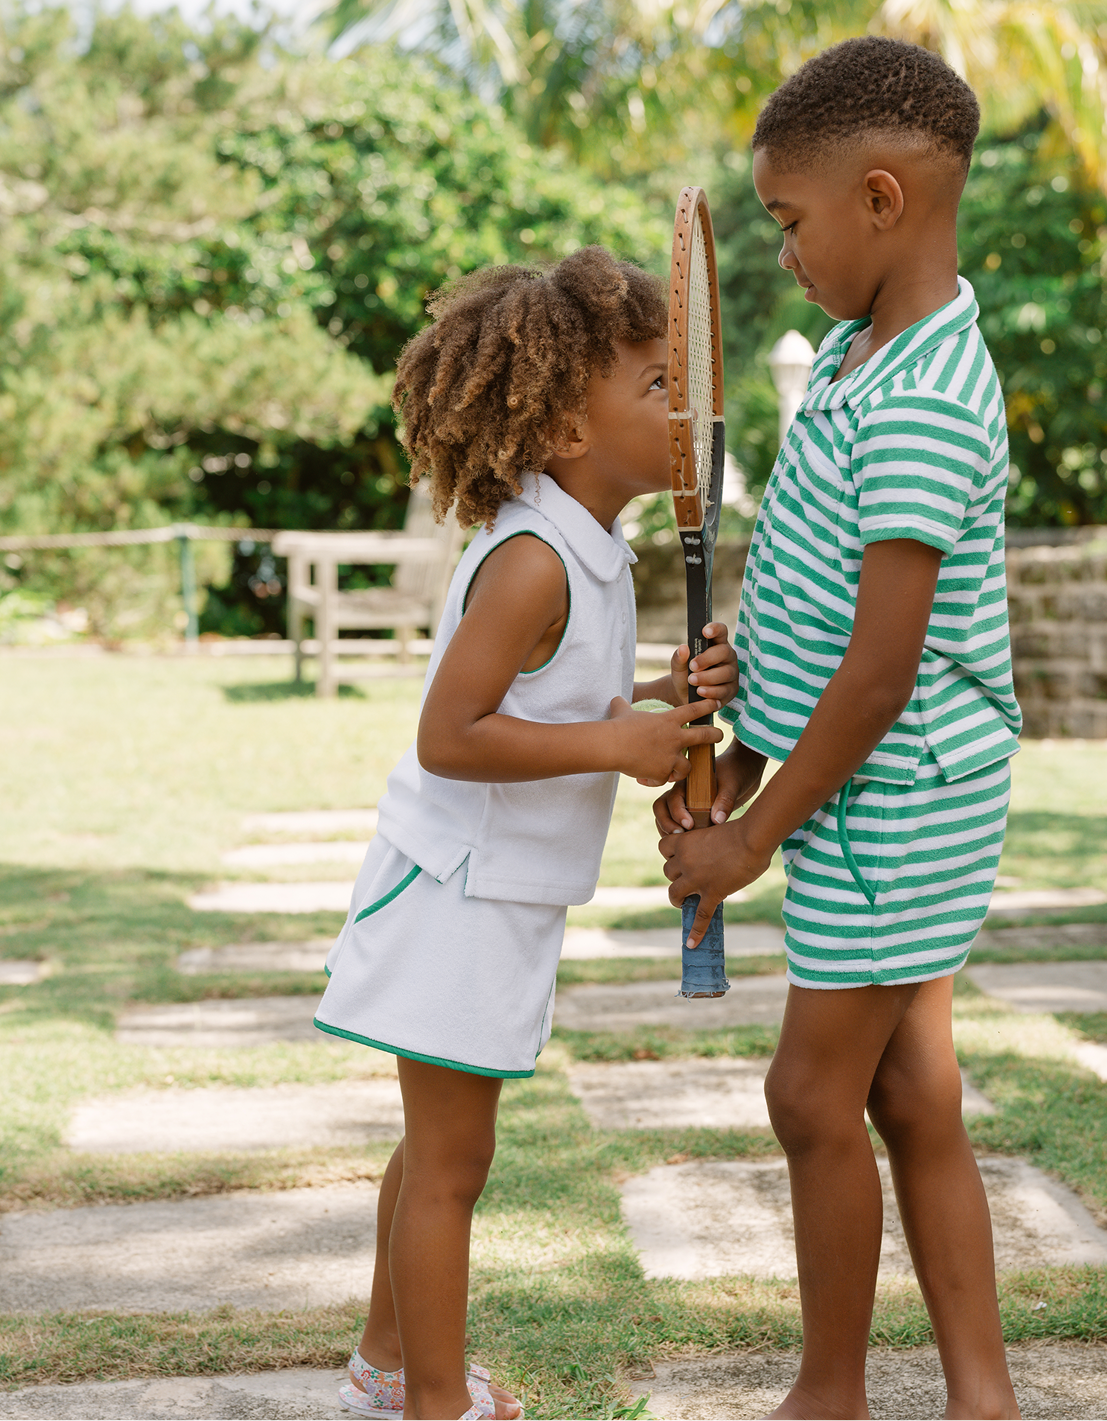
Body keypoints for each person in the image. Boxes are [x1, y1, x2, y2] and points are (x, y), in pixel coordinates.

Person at [655, 37, 1023, 1421]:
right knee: (913, 1095)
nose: (787, 255)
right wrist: (738, 719)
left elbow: (881, 672)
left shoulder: (926, 396)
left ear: (882, 198)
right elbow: (818, 624)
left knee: (812, 1100)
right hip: (867, 786)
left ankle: (830, 1394)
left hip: (901, 792)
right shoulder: (868, 363)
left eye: (792, 223)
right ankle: (978, 1396)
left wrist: (750, 833)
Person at [315, 246, 738, 1421]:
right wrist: (613, 748)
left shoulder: (585, 546)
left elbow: (546, 710)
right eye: (658, 388)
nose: (685, 408)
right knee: (453, 1163)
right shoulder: (532, 561)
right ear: (561, 423)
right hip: (456, 889)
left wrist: (642, 715)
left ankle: (385, 1367)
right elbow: (451, 733)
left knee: (434, 1144)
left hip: (494, 891)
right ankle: (434, 1401)